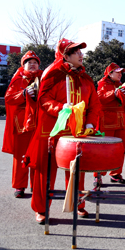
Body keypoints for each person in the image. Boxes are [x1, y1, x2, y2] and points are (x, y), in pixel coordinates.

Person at [25, 38, 101, 224]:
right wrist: (61, 108)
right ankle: (41, 209)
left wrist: (90, 124)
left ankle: (78, 203)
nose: (81, 55)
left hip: (76, 131)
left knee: (77, 170)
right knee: (46, 171)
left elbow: (94, 104)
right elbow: (43, 99)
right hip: (51, 131)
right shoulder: (53, 73)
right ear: (66, 55)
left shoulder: (85, 77)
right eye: (77, 52)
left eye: (81, 52)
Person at [2, 51, 43, 198]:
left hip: (39, 122)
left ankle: (36, 185)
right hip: (22, 123)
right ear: (23, 65)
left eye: (35, 62)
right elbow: (9, 98)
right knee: (21, 156)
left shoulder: (43, 78)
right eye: (29, 62)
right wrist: (24, 94)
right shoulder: (18, 79)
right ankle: (19, 186)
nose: (33, 65)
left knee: (38, 156)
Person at [93, 63, 125, 187]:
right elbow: (99, 98)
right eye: (118, 72)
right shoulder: (103, 84)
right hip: (107, 122)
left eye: (121, 72)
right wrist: (114, 93)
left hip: (120, 121)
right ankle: (98, 175)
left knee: (120, 149)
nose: (120, 74)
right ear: (110, 73)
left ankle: (115, 173)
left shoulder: (120, 85)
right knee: (103, 149)